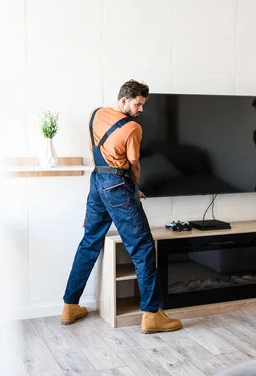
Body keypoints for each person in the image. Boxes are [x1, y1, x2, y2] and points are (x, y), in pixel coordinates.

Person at [61, 79, 182, 333]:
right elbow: (134, 165)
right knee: (143, 247)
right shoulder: (133, 128)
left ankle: (70, 305)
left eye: (143, 105)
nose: (141, 110)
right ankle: (152, 314)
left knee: (89, 242)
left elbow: (94, 149)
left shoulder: (95, 114)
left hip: (97, 182)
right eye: (138, 104)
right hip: (118, 186)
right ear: (124, 100)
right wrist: (134, 190)